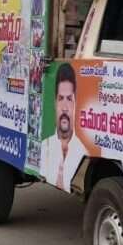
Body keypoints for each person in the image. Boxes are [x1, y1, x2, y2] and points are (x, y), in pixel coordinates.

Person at [43, 63, 86, 191]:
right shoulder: (45, 147)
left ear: (76, 103)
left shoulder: (82, 150)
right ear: (55, 102)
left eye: (69, 99)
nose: (65, 107)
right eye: (61, 98)